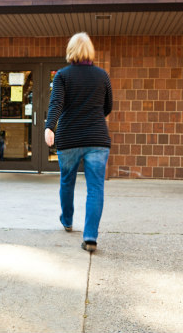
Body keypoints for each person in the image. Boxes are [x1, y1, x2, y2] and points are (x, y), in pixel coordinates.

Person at [44, 32, 112, 253]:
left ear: (70, 50)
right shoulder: (102, 76)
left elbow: (56, 104)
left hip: (70, 137)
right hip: (97, 138)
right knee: (96, 188)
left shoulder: (63, 75)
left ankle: (67, 220)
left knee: (67, 181)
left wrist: (49, 127)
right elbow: (108, 107)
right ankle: (90, 237)